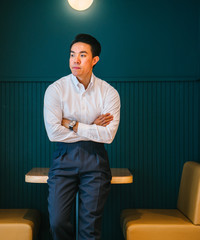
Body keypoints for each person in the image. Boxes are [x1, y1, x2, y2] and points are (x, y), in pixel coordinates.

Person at [44, 33, 121, 240]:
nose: (75, 60)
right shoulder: (55, 90)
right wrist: (90, 128)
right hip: (63, 159)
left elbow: (108, 135)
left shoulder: (109, 93)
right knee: (57, 222)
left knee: (90, 228)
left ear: (95, 60)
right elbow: (53, 132)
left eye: (82, 55)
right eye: (72, 55)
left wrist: (71, 124)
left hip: (96, 161)